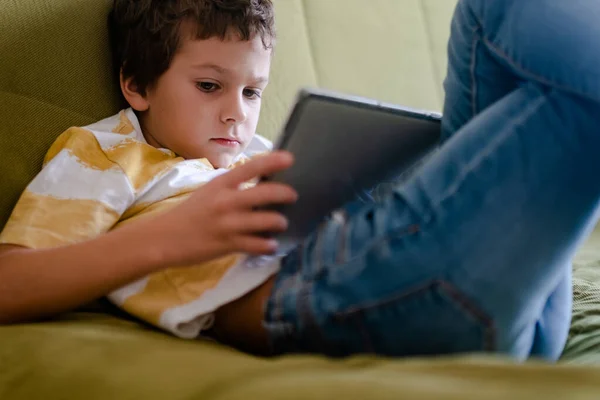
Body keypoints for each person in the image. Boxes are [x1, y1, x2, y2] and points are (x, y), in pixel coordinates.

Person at [2, 0, 600, 362]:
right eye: (210, 86)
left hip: (510, 299)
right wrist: (175, 236)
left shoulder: (263, 150)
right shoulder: (108, 154)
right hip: (321, 296)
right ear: (138, 86)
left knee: (492, 10)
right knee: (574, 109)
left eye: (253, 90)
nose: (237, 112)